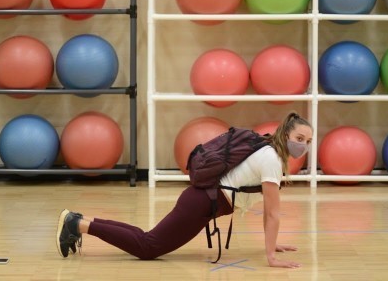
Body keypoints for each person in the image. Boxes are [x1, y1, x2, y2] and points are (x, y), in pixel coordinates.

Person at [56, 112, 312, 268]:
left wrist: (272, 245)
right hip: (201, 203)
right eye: (299, 139)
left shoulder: (268, 150)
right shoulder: (272, 160)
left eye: (308, 142)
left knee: (148, 238)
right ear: (285, 134)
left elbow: (269, 212)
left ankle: (81, 221)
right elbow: (272, 213)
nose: (303, 145)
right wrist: (270, 255)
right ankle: (77, 224)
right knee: (148, 247)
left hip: (203, 201)